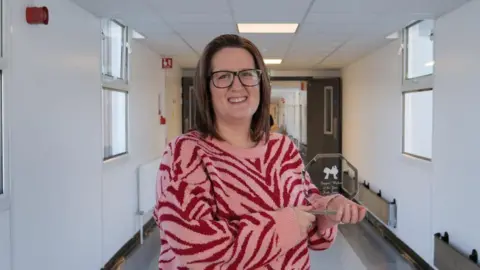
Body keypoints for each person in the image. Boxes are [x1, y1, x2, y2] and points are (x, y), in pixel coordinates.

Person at [153, 34, 366, 269]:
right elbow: (194, 251)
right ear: (206, 88)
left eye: (247, 74)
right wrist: (283, 227)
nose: (237, 85)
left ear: (260, 82)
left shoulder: (283, 148)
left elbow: (306, 204)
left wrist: (328, 210)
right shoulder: (185, 153)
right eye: (223, 76)